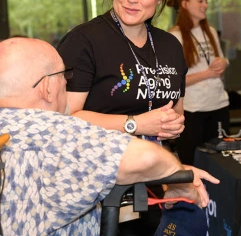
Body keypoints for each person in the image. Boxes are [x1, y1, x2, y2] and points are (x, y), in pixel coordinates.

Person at [0, 37, 219, 236]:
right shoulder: (53, 133)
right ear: (47, 87)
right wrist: (178, 177)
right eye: (63, 75)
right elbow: (146, 158)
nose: (67, 83)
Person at [57, 0, 187, 234]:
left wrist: (173, 124)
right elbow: (66, 119)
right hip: (95, 190)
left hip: (153, 182)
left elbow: (175, 111)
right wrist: (136, 123)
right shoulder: (84, 41)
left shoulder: (169, 46)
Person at [167, 0, 230, 165]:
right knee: (191, 163)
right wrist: (207, 74)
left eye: (206, 1)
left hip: (218, 105)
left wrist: (223, 63)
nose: (205, 5)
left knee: (221, 163)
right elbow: (174, 82)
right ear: (185, 4)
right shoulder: (175, 36)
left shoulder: (209, 31)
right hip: (192, 110)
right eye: (200, 1)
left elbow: (220, 59)